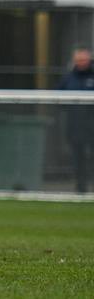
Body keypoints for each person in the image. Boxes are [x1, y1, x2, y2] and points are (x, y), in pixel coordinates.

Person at [56, 47, 94, 193]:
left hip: (92, 125)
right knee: (78, 157)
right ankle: (81, 188)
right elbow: (58, 96)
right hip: (75, 126)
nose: (81, 63)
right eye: (78, 60)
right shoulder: (69, 77)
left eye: (84, 59)